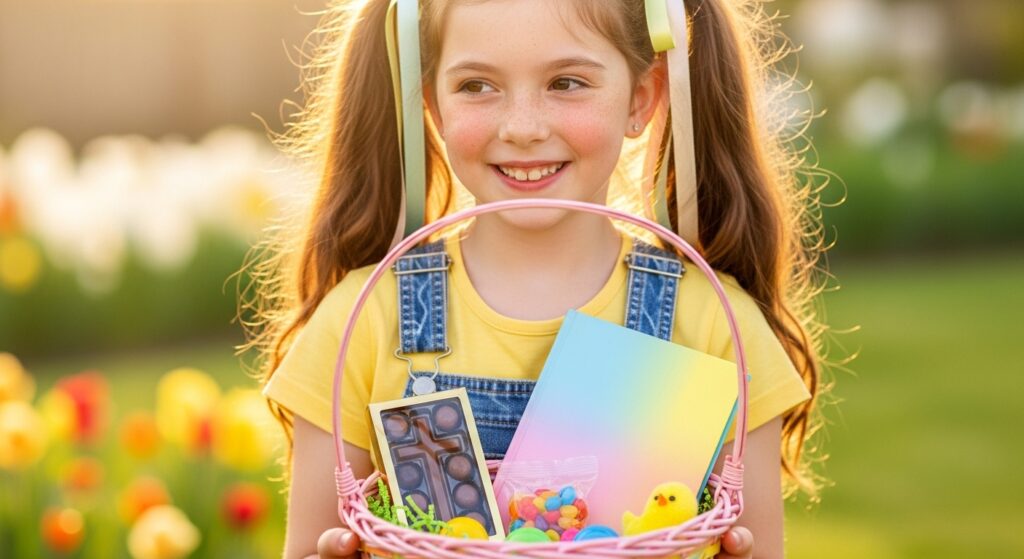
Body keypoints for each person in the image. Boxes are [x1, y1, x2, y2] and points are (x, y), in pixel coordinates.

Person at [245, 0, 830, 557]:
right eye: (476, 86)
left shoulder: (713, 328)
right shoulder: (365, 320)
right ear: (432, 104)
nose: (522, 127)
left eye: (567, 82)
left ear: (642, 97)